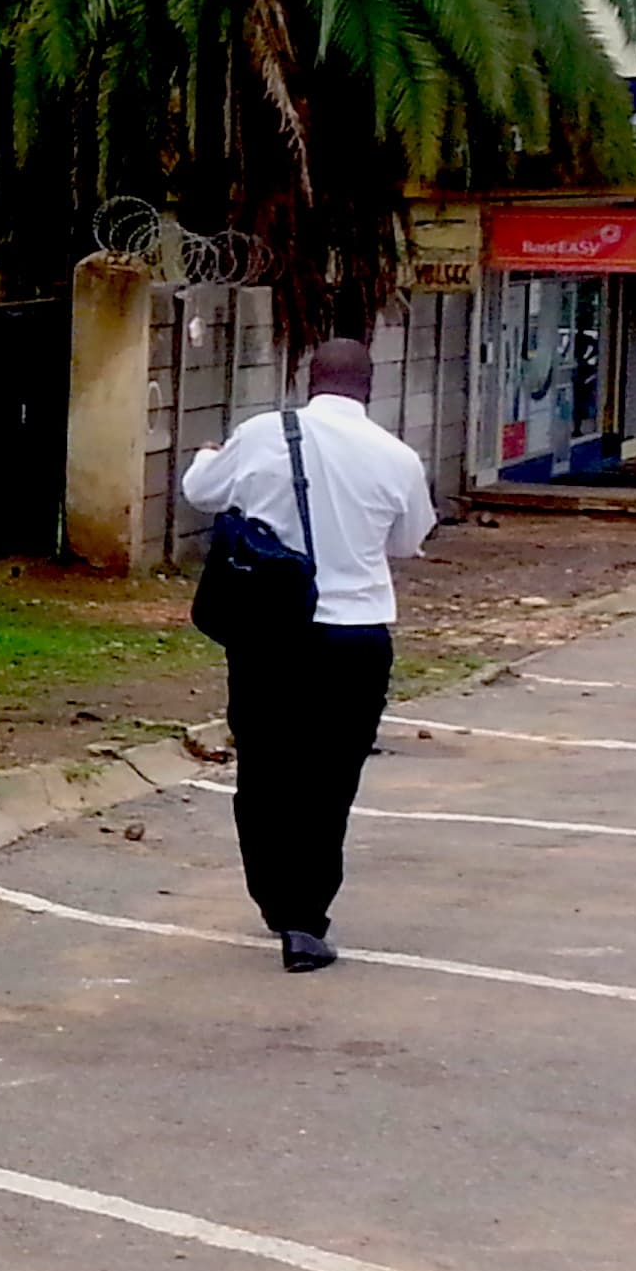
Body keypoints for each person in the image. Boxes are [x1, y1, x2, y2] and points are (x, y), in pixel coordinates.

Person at [181, 338, 437, 972]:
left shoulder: (264, 433)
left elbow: (199, 492)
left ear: (307, 379)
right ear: (368, 387)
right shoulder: (398, 457)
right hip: (355, 638)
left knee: (265, 768)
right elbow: (409, 542)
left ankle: (275, 899)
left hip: (270, 632)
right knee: (330, 778)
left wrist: (208, 454)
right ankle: (306, 920)